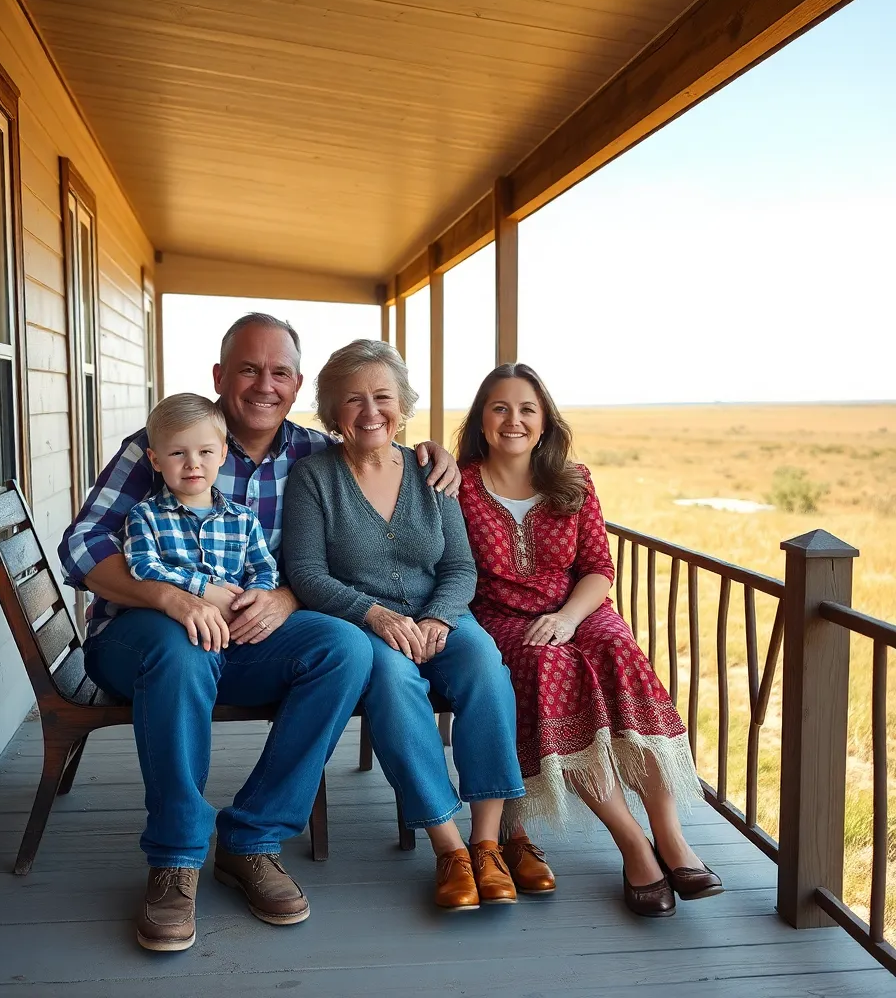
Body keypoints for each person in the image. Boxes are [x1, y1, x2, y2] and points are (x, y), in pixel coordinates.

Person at [58, 313, 460, 952]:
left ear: (297, 384)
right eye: (248, 369)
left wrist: (429, 455)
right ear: (220, 376)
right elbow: (81, 545)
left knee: (345, 647)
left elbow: (361, 489)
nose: (263, 385)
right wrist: (169, 596)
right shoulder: (164, 441)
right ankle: (177, 858)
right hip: (143, 639)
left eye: (279, 372)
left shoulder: (313, 454)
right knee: (182, 648)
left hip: (248, 641)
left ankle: (251, 838)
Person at [454, 364, 723, 918]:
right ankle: (632, 844)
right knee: (551, 668)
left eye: (528, 409)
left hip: (580, 607)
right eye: (500, 408)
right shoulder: (457, 485)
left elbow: (599, 568)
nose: (514, 420)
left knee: (620, 653)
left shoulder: (572, 481)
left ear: (545, 420)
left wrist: (572, 617)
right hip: (502, 619)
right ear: (482, 420)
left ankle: (669, 838)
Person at [282, 340, 525, 911]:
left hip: (441, 614)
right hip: (364, 621)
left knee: (487, 668)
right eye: (353, 400)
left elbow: (459, 566)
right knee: (393, 684)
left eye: (383, 397)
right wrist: (377, 615)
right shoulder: (313, 478)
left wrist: (440, 616)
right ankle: (448, 848)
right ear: (333, 412)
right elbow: (308, 574)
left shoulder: (428, 471)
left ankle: (486, 842)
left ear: (403, 403)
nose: (370, 412)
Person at [124, 392, 278, 653]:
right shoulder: (145, 516)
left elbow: (264, 569)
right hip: (178, 630)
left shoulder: (243, 519)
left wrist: (249, 602)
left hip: (234, 626)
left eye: (205, 451)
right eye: (177, 453)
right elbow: (143, 566)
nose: (192, 464)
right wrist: (203, 587)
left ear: (222, 455)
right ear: (155, 460)